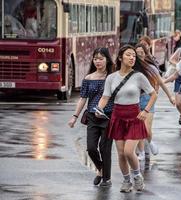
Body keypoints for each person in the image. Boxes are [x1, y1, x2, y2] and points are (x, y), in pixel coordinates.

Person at [96, 45, 158, 193]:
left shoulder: (139, 76)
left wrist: (146, 110)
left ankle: (137, 176)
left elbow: (153, 94)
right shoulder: (111, 77)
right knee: (121, 153)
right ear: (120, 58)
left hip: (134, 117)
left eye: (134, 56)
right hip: (117, 116)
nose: (132, 58)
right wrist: (99, 109)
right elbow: (105, 97)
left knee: (129, 151)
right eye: (129, 55)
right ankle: (126, 181)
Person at [68, 47, 115, 187]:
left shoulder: (112, 77)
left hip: (108, 116)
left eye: (101, 59)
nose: (98, 61)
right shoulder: (88, 78)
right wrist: (74, 117)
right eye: (95, 59)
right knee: (91, 148)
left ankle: (106, 178)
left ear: (107, 59)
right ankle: (100, 169)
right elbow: (83, 99)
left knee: (104, 148)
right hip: (92, 117)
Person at [135, 43, 175, 160]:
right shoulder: (131, 68)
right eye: (137, 53)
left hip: (148, 99)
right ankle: (141, 152)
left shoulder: (150, 68)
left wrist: (170, 96)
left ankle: (150, 142)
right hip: (134, 100)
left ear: (145, 54)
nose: (139, 55)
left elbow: (161, 82)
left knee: (146, 129)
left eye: (141, 53)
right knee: (138, 128)